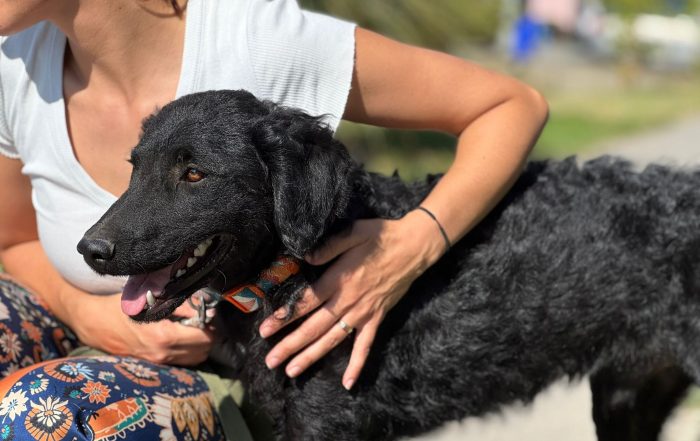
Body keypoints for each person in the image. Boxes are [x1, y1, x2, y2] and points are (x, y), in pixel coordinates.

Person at [0, 0, 548, 439]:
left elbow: (510, 104)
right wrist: (83, 310)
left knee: (44, 413)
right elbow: (12, 239)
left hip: (228, 365)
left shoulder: (260, 37)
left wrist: (413, 242)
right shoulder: (13, 62)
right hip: (88, 332)